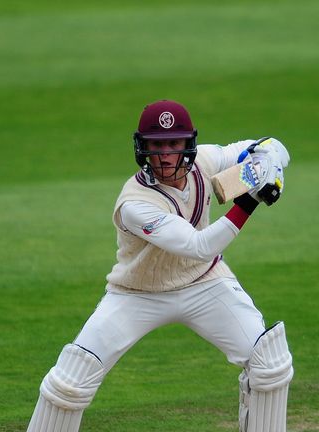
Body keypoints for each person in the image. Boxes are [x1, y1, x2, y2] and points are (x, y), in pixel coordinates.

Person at [26, 100, 293, 432]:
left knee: (270, 363)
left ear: (188, 144)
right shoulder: (135, 204)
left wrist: (269, 162)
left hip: (204, 282)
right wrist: (250, 199)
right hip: (138, 294)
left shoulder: (205, 161)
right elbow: (199, 247)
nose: (165, 154)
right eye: (156, 146)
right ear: (143, 148)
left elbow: (268, 146)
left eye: (174, 143)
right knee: (69, 383)